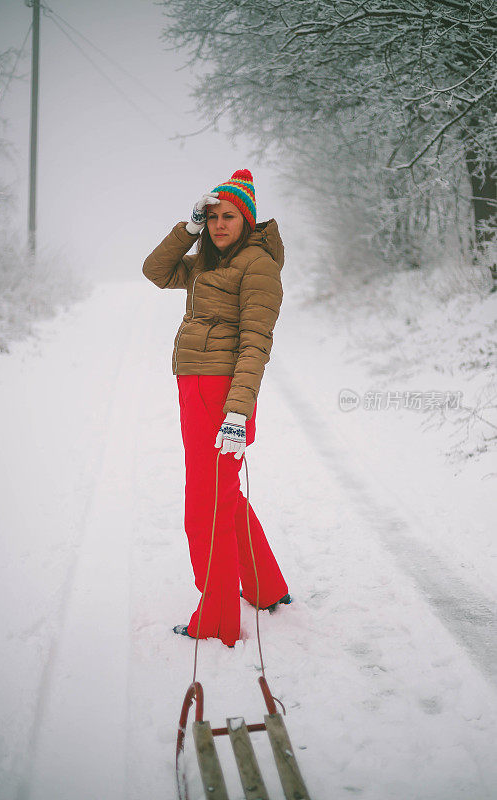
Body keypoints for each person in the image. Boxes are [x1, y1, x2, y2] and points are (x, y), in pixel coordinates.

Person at [142, 169, 291, 648]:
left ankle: (219, 618)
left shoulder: (256, 265)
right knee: (224, 496)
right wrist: (186, 229)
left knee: (205, 507)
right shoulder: (207, 262)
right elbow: (156, 270)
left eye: (228, 216)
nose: (218, 224)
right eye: (211, 216)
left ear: (247, 219)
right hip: (195, 387)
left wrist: (237, 412)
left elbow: (256, 343)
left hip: (222, 393)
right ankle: (266, 587)